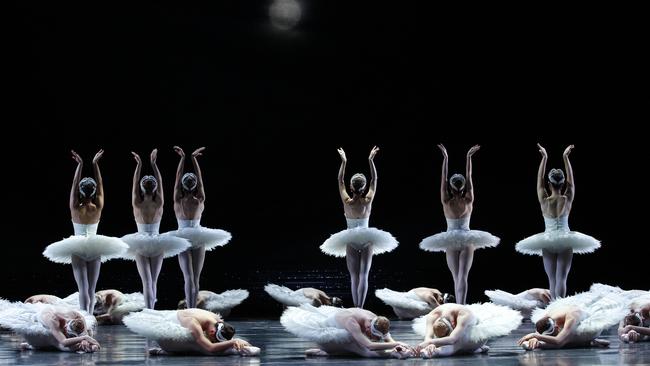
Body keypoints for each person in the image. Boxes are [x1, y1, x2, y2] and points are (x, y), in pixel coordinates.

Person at [43, 150, 128, 313]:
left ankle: (85, 317)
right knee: (91, 288)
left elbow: (74, 185)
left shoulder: (75, 207)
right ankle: (89, 315)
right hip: (95, 246)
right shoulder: (98, 207)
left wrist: (80, 166)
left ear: (80, 192)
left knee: (83, 288)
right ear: (94, 192)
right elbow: (101, 186)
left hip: (77, 246)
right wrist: (95, 165)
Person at [516, 145, 600, 299]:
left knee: (552, 279)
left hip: (547, 240)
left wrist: (544, 158)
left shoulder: (544, 200)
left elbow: (539, 181)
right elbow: (572, 181)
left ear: (549, 184)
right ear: (563, 184)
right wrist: (565, 158)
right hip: (565, 239)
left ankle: (554, 310)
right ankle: (558, 309)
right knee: (562, 278)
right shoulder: (567, 198)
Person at [419, 145, 499, 304]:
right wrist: (469, 158)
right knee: (463, 276)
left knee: (457, 277)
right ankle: (461, 306)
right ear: (463, 187)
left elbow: (443, 179)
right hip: (467, 239)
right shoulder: (469, 199)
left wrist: (445, 158)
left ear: (450, 186)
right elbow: (469, 176)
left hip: (450, 240)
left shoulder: (446, 200)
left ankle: (458, 306)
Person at [320, 146, 398, 308]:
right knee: (364, 275)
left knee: (354, 276)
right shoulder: (367, 200)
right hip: (367, 238)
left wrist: (344, 161)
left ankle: (356, 307)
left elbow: (339, 181)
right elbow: (374, 180)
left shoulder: (347, 201)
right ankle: (360, 307)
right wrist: (371, 160)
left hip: (350, 239)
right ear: (363, 188)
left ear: (351, 187)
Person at [122, 149, 190, 309]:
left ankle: (149, 310)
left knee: (147, 281)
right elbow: (159, 183)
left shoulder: (137, 203)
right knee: (153, 281)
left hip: (140, 242)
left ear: (142, 187)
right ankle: (151, 310)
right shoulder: (159, 202)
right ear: (155, 188)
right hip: (157, 242)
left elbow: (134, 185)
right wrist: (153, 164)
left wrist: (139, 165)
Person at [169, 146, 232, 309]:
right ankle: (190, 308)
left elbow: (201, 180)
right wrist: (183, 159)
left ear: (194, 183)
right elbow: (177, 180)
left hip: (198, 236)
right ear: (184, 184)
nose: (191, 180)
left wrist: (194, 160)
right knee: (188, 277)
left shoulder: (200, 198)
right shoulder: (178, 199)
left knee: (195, 278)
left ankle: (194, 309)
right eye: (188, 179)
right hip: (182, 237)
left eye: (193, 179)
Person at [281, 304, 413, 358]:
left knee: (357, 341)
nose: (375, 337)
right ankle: (326, 350)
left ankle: (327, 353)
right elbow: (370, 346)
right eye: (372, 334)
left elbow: (386, 337)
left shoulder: (375, 318)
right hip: (328, 335)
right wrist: (397, 344)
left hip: (342, 330)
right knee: (365, 351)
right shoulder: (352, 322)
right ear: (368, 327)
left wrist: (398, 345)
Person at [123, 308, 260, 356]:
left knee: (200, 342)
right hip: (167, 333)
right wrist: (234, 342)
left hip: (175, 320)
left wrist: (234, 340)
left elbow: (220, 337)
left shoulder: (216, 320)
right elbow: (210, 348)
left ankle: (161, 352)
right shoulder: (194, 323)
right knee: (201, 347)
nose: (211, 339)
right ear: (212, 332)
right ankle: (162, 351)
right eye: (213, 338)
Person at [519, 290, 625, 350]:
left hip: (588, 325)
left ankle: (588, 342)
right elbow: (541, 330)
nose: (555, 333)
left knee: (566, 339)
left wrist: (535, 337)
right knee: (560, 337)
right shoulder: (548, 316)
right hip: (568, 315)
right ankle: (588, 343)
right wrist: (536, 337)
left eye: (554, 332)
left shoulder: (572, 316)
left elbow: (559, 341)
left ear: (555, 326)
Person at [413, 302, 521, 358]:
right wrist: (428, 342)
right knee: (439, 342)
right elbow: (428, 336)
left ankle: (435, 353)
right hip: (458, 332)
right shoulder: (433, 315)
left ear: (453, 324)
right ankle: (476, 350)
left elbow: (452, 339)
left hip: (473, 334)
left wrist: (432, 343)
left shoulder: (464, 314)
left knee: (457, 344)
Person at [0, 303, 100, 353]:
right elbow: (64, 342)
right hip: (42, 316)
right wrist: (84, 338)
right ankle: (29, 346)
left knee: (87, 333)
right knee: (58, 343)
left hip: (56, 311)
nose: (65, 331)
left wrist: (85, 335)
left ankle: (87, 346)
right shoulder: (53, 321)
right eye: (67, 331)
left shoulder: (75, 315)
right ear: (66, 325)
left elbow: (83, 325)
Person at [375, 287, 454, 319]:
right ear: (441, 296)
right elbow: (440, 309)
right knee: (429, 308)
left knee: (428, 307)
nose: (441, 302)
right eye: (441, 301)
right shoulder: (431, 297)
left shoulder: (437, 292)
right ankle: (402, 312)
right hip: (412, 296)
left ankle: (404, 313)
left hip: (414, 293)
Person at [177, 289, 249, 317]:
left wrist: (192, 308)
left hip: (212, 298)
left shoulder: (194, 296)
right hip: (208, 298)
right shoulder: (187, 299)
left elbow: (202, 300)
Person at [484, 288, 551, 318]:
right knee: (511, 303)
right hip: (527, 297)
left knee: (517, 311)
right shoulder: (547, 293)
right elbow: (542, 294)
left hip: (533, 300)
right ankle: (489, 311)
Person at [264, 284, 343, 308]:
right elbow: (315, 297)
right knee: (315, 304)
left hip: (302, 294)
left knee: (316, 305)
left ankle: (287, 308)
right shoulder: (317, 295)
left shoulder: (324, 295)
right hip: (298, 295)